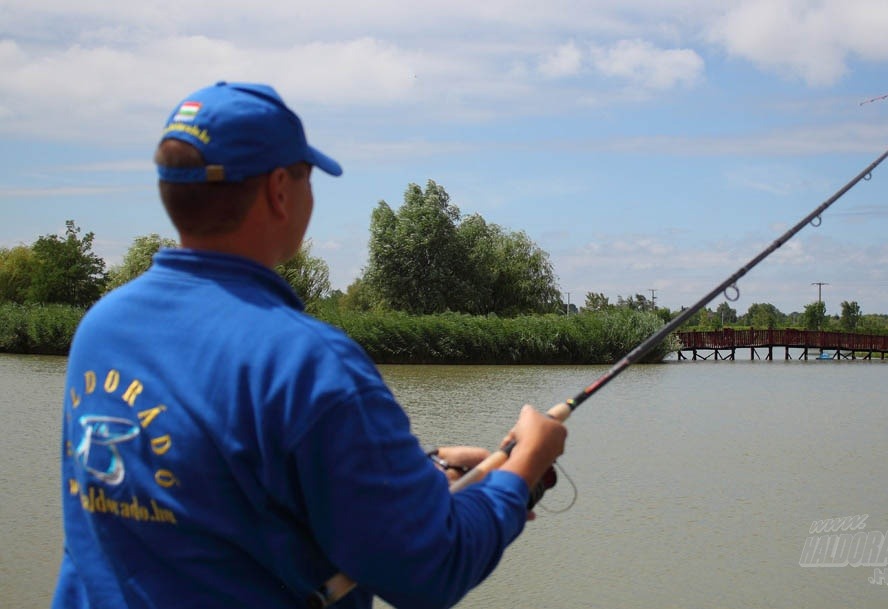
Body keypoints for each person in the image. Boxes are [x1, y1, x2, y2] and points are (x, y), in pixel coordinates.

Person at [52, 81, 567, 609]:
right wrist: (525, 463)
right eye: (307, 177)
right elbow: (431, 568)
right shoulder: (311, 364)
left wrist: (414, 477)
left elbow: (207, 493)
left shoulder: (102, 327)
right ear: (279, 189)